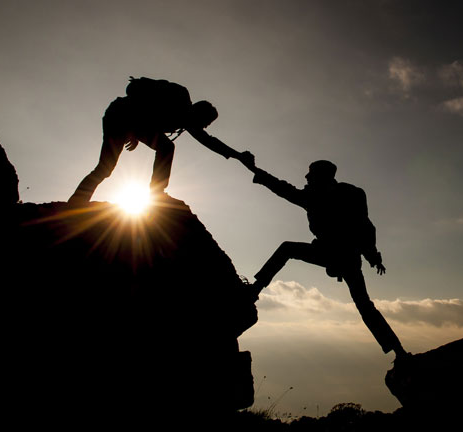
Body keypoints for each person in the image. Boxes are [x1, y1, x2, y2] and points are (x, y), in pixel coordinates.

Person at [248, 160, 408, 359]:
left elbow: (283, 189)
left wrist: (256, 171)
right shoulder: (351, 193)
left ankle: (255, 288)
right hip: (349, 257)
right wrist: (372, 256)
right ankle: (399, 351)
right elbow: (366, 227)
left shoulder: (316, 196)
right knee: (364, 305)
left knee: (287, 248)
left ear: (321, 176)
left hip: (335, 254)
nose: (306, 177)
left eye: (310, 174)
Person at [69, 77, 252, 204]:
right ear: (199, 113)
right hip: (119, 115)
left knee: (165, 147)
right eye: (205, 123)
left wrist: (237, 155)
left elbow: (209, 141)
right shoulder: (179, 96)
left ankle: (157, 193)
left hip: (129, 121)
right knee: (105, 168)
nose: (203, 128)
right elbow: (138, 98)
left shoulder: (187, 120)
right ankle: (77, 203)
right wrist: (133, 131)